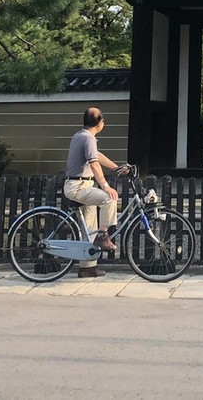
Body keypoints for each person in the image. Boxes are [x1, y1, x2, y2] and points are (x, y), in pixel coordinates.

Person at [63, 106, 121, 278]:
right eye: (103, 120)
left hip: (82, 186)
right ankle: (103, 236)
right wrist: (105, 186)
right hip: (79, 187)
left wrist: (117, 168)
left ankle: (87, 268)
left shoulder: (81, 136)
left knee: (89, 229)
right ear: (99, 123)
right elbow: (94, 163)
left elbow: (98, 156)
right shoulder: (88, 139)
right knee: (109, 199)